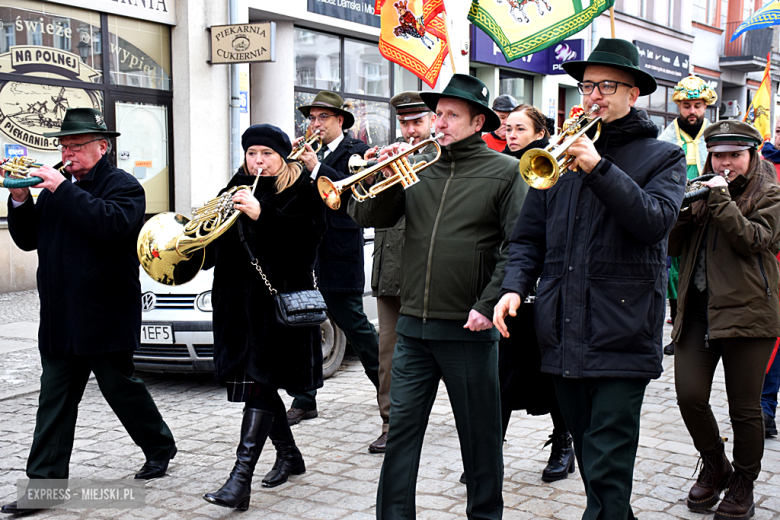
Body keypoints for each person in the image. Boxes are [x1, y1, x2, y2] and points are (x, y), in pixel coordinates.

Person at [494, 38, 686, 520]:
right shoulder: (554, 159)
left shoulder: (662, 156)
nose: (594, 94)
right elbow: (527, 238)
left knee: (608, 458)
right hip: (562, 329)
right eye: (587, 85)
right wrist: (514, 286)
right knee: (590, 451)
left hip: (622, 328)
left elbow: (654, 223)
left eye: (606, 85)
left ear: (633, 93)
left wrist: (598, 167)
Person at [351, 74, 527, 520]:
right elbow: (365, 214)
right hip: (413, 327)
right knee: (402, 436)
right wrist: (389, 176)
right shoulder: (420, 165)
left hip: (468, 329)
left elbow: (518, 246)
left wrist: (488, 304)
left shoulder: (506, 172)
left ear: (477, 122)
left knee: (480, 439)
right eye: (439, 114)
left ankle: (485, 515)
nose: (440, 123)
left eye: (451, 115)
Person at [1, 108, 177, 515]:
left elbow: (111, 226)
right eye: (65, 146)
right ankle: (43, 487)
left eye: (77, 146)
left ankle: (158, 446)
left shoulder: (124, 186)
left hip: (105, 311)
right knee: (54, 402)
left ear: (103, 146)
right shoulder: (54, 190)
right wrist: (20, 198)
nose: (69, 152)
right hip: (61, 316)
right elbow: (28, 241)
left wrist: (63, 188)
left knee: (121, 390)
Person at [202, 124, 327, 511]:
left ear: (282, 156)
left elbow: (308, 242)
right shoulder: (235, 186)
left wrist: (263, 215)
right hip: (236, 306)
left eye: (267, 154)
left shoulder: (301, 189)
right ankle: (289, 455)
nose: (258, 161)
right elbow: (215, 242)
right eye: (252, 153)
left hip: (275, 305)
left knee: (259, 382)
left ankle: (240, 480)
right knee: (260, 383)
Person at [669, 121, 780, 519]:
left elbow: (754, 240)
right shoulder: (703, 186)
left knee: (745, 409)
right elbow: (670, 246)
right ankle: (716, 463)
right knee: (689, 396)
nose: (725, 162)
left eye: (735, 154)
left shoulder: (771, 192)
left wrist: (718, 200)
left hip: (750, 314)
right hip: (698, 310)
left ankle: (744, 482)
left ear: (752, 154)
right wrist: (682, 207)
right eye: (719, 155)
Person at [289, 91, 382, 450]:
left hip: (339, 253)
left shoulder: (355, 152)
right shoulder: (308, 153)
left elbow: (348, 197)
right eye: (312, 118)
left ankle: (389, 393)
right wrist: (294, 166)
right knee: (305, 326)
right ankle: (304, 399)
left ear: (340, 121)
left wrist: (314, 168)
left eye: (322, 118)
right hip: (306, 254)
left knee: (355, 326)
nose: (315, 124)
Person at [346, 91, 437, 453]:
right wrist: (371, 176)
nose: (411, 130)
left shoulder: (438, 158)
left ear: (433, 120)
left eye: (417, 122)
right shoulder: (389, 155)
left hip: (430, 271)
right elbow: (361, 212)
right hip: (390, 273)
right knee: (390, 355)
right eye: (405, 122)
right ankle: (391, 423)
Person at [500, 104, 575, 483]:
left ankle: (564, 442)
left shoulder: (554, 163)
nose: (510, 135)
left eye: (519, 129)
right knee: (502, 373)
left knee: (551, 373)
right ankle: (488, 451)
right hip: (510, 282)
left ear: (538, 133)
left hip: (548, 285)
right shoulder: (499, 165)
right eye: (507, 128)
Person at [659, 75, 719, 356]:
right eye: (686, 105)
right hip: (677, 213)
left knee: (709, 267)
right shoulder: (666, 139)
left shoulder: (716, 138)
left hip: (709, 213)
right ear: (678, 107)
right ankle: (678, 331)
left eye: (696, 105)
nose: (691, 111)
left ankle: (710, 327)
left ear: (705, 106)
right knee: (674, 273)